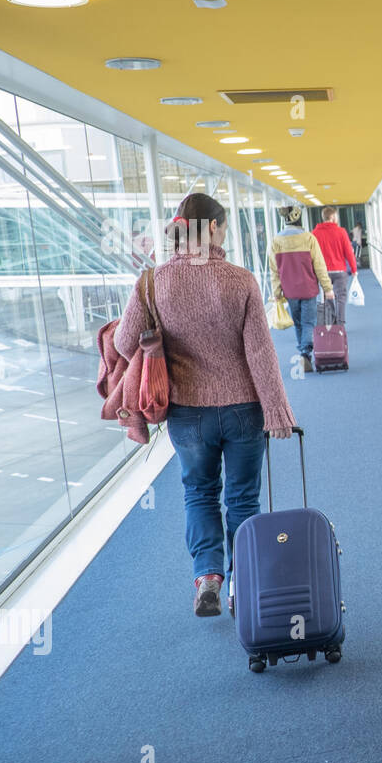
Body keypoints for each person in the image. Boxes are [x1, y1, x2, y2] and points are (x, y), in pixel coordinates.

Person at [113, 192, 296, 617]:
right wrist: (277, 412)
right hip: (244, 410)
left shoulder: (151, 282)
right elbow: (261, 356)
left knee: (198, 493)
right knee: (243, 500)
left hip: (188, 414)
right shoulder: (241, 280)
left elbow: (124, 343)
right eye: (225, 226)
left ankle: (209, 576)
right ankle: (244, 583)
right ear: (212, 228)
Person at [269, 204, 334, 373]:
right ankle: (306, 353)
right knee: (308, 323)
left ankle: (302, 352)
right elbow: (319, 265)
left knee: (298, 323)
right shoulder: (308, 238)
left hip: (290, 291)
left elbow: (274, 270)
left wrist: (276, 293)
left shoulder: (276, 241)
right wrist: (327, 287)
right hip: (308, 289)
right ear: (299, 219)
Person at [311, 205, 357, 326]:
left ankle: (331, 322)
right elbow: (348, 252)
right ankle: (340, 325)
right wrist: (354, 268)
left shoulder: (315, 233)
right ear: (332, 217)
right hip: (340, 271)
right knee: (341, 297)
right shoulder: (341, 231)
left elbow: (312, 254)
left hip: (323, 272)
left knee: (327, 297)